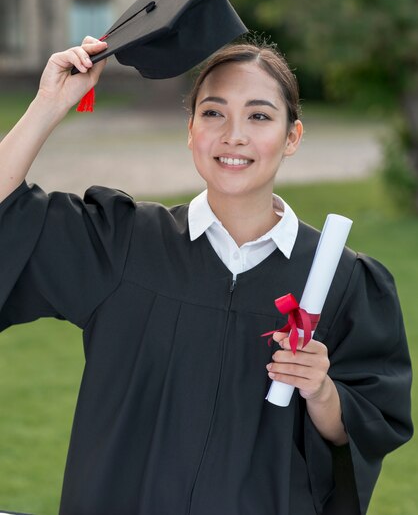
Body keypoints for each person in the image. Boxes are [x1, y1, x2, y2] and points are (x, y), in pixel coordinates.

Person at [0, 36, 413, 515]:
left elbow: (365, 428)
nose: (233, 135)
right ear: (190, 129)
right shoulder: (124, 242)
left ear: (292, 136)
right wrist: (48, 104)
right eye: (213, 113)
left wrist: (321, 390)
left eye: (259, 116)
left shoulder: (343, 280)